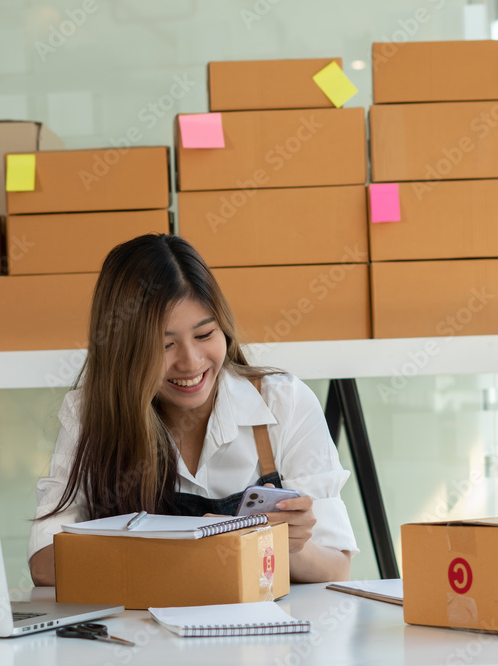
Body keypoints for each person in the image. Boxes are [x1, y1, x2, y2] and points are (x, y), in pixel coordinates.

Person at [28, 234, 357, 585]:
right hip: (141, 631)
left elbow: (337, 568)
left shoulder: (283, 403)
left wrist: (291, 546)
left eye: (204, 335)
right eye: (165, 344)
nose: (191, 362)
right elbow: (45, 564)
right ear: (124, 352)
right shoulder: (90, 413)